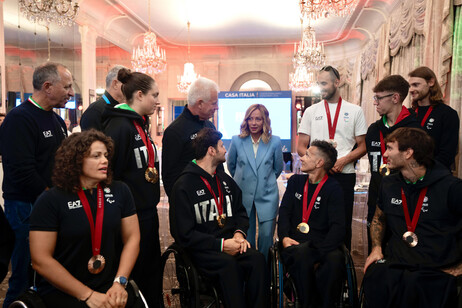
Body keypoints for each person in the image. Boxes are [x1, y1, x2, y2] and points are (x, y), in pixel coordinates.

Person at [29, 130, 140, 308]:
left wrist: (120, 282)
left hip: (110, 285)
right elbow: (40, 260)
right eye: (96, 156)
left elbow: (132, 238)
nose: (104, 160)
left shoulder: (120, 191)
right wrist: (87, 295)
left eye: (105, 155)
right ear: (76, 160)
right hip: (63, 290)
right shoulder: (51, 200)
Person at [363, 127, 462, 308]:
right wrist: (376, 248)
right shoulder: (388, 183)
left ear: (408, 153)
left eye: (391, 148)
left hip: (436, 269)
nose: (385, 154)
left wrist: (460, 266)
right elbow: (379, 218)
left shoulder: (451, 187)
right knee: (374, 275)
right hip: (397, 265)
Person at [0, 62, 73, 307]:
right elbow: (22, 172)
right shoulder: (19, 119)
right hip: (25, 207)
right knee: (24, 274)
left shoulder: (58, 121)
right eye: (67, 87)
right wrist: (51, 202)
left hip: (50, 205)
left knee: (48, 273)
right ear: (48, 86)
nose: (71, 93)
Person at [170, 127, 268, 308]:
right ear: (211, 150)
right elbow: (183, 234)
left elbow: (240, 212)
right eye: (222, 146)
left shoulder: (225, 180)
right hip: (202, 251)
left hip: (231, 242)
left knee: (257, 260)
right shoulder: (183, 185)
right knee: (229, 265)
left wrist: (239, 234)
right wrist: (221, 245)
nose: (225, 150)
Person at [103, 68, 161, 308]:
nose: (157, 101)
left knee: (150, 271)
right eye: (154, 95)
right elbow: (108, 173)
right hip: (129, 214)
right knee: (136, 272)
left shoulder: (139, 124)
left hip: (146, 210)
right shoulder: (119, 126)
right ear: (139, 95)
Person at [297, 65, 367, 250]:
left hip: (344, 174)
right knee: (316, 219)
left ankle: (341, 267)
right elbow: (301, 146)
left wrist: (342, 161)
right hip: (317, 174)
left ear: (337, 82)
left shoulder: (355, 111)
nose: (321, 88)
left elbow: (363, 146)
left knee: (342, 223)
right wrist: (318, 164)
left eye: (324, 83)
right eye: (319, 83)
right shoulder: (311, 111)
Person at [278, 140, 345, 308]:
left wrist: (319, 253)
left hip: (321, 245)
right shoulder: (295, 182)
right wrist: (284, 237)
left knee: (335, 259)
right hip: (294, 242)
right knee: (301, 254)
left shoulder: (334, 188)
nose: (302, 158)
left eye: (307, 155)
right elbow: (284, 213)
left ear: (319, 163)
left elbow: (338, 227)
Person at [365, 75, 420, 252]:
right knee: (375, 248)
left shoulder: (415, 129)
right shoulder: (374, 130)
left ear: (395, 98)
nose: (375, 103)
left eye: (379, 98)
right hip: (377, 195)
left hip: (406, 198)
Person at [227, 104, 283, 260]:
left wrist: (263, 181)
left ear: (264, 121)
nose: (253, 122)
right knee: (247, 239)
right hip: (244, 195)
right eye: (250, 118)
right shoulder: (237, 141)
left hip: (267, 195)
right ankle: (251, 274)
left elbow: (277, 168)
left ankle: (265, 275)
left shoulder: (275, 142)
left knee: (266, 238)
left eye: (258, 119)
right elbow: (231, 167)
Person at [162, 77, 219, 198]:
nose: (217, 107)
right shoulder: (174, 131)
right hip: (188, 199)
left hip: (212, 198)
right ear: (200, 103)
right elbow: (169, 176)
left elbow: (218, 164)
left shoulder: (210, 126)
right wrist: (180, 202)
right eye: (214, 103)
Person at [408, 66, 459, 170]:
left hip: (436, 179)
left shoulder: (447, 114)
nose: (411, 90)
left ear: (431, 82)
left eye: (416, 85)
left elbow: (447, 154)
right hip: (409, 177)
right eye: (410, 86)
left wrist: (422, 171)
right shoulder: (409, 114)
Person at [81, 65, 126, 131]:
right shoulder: (94, 111)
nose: (130, 88)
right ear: (115, 84)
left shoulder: (121, 107)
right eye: (127, 83)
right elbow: (90, 140)